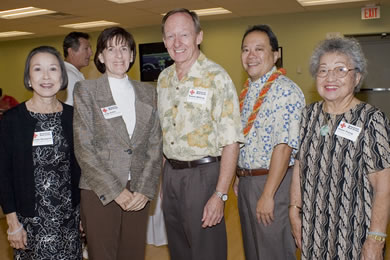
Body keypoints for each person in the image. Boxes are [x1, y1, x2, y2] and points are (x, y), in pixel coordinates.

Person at [289, 37, 390, 259]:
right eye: (323, 70)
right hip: (313, 231)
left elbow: (383, 185)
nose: (330, 77)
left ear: (357, 77)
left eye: (341, 69)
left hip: (355, 234)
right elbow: (300, 164)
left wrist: (376, 238)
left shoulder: (371, 119)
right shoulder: (308, 115)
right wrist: (294, 210)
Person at [157, 8, 244, 260]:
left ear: (198, 36)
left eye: (184, 34)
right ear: (164, 41)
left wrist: (220, 194)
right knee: (179, 250)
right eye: (170, 36)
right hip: (171, 176)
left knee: (207, 251)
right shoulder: (163, 80)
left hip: (204, 176)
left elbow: (231, 142)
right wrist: (165, 182)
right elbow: (165, 135)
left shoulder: (217, 78)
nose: (177, 42)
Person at [73, 26, 162, 260]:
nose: (119, 55)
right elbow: (84, 148)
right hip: (99, 190)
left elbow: (155, 145)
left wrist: (144, 189)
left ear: (132, 55)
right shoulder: (87, 90)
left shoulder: (147, 93)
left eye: (124, 49)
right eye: (111, 49)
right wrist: (115, 190)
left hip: (138, 193)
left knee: (132, 254)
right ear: (100, 56)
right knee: (103, 254)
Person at [0, 46, 81, 259]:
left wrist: (84, 216)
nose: (46, 76)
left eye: (53, 69)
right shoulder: (12, 120)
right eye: (38, 69)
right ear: (28, 77)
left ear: (62, 77)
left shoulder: (73, 117)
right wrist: (12, 223)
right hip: (31, 223)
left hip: (69, 221)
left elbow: (80, 169)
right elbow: (3, 174)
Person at [234, 25, 305, 260]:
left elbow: (284, 147)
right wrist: (238, 175)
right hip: (248, 183)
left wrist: (268, 194)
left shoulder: (284, 91)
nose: (251, 55)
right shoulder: (248, 90)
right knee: (254, 252)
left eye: (259, 49)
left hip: (273, 182)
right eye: (245, 49)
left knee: (273, 252)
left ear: (275, 55)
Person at [61, 31, 92, 105]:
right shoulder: (68, 75)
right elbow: (70, 108)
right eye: (86, 49)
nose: (91, 53)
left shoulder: (71, 73)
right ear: (71, 52)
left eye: (90, 48)